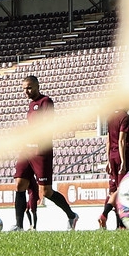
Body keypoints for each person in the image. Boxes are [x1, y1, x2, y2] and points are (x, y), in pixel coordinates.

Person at [13, 76, 78, 231]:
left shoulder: (46, 102)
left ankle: (71, 215)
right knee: (19, 184)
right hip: (27, 149)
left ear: (37, 86)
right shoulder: (31, 105)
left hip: (41, 151)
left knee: (46, 191)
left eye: (29, 88)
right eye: (23, 88)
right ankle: (19, 226)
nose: (26, 91)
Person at [99, 105, 129, 229]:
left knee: (112, 191)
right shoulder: (125, 117)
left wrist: (109, 160)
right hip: (122, 155)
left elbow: (108, 141)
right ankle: (106, 215)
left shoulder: (110, 117)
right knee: (122, 191)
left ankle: (116, 225)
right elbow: (122, 141)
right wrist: (124, 162)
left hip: (112, 155)